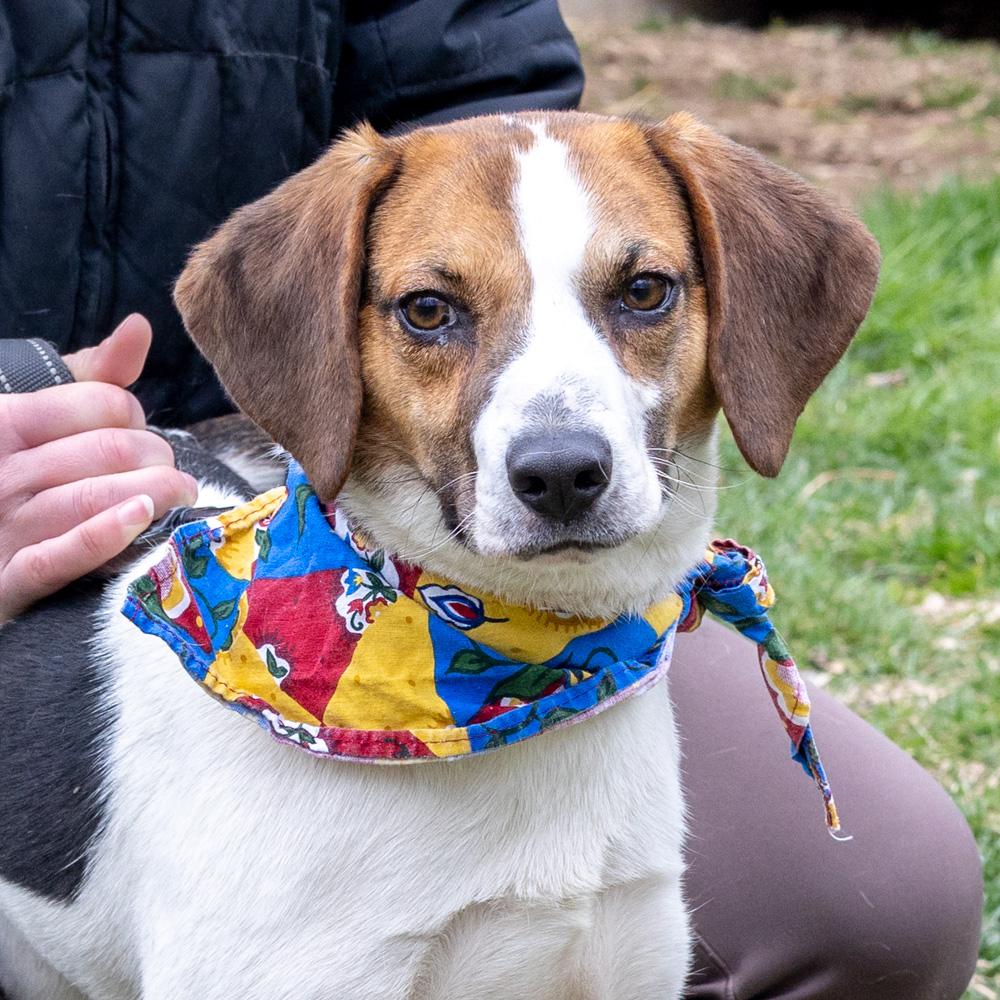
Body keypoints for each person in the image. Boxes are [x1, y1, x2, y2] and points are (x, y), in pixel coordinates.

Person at [0, 2, 982, 996]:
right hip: (221, 538)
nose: (554, 452)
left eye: (639, 294)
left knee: (879, 896)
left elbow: (484, 125)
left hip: (317, 497)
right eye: (433, 311)